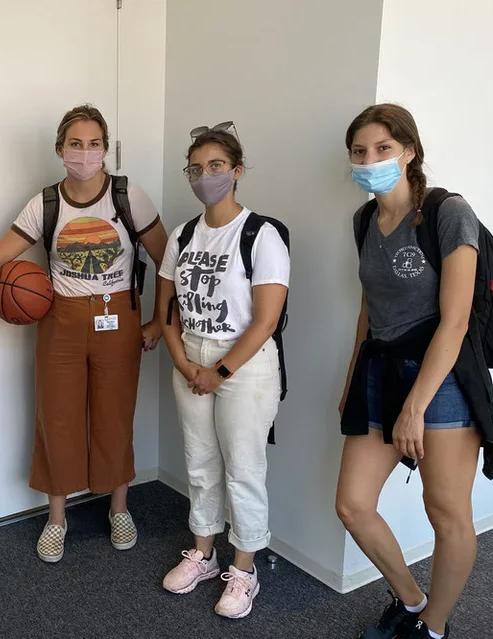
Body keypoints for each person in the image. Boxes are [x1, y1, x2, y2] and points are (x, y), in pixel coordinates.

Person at [0, 105, 168, 563]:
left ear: (106, 150)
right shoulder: (46, 203)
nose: (85, 152)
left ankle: (118, 508)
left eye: (95, 144)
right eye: (76, 143)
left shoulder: (129, 197)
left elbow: (166, 260)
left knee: (115, 416)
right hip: (62, 323)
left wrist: (158, 321)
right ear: (60, 149)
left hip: (119, 319)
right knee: (57, 417)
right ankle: (57, 518)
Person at [336, 104, 489, 639]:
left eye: (382, 148)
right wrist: (353, 379)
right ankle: (411, 599)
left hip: (441, 377)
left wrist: (414, 408)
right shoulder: (364, 221)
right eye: (359, 151)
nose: (370, 159)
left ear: (409, 151)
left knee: (445, 512)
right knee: (353, 505)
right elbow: (368, 307)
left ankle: (435, 626)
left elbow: (455, 322)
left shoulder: (448, 214)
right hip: (381, 370)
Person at [157, 126, 290, 618]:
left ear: (236, 171)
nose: (205, 176)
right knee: (200, 463)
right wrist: (182, 360)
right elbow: (167, 309)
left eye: (216, 166)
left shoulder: (261, 234)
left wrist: (219, 370)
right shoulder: (183, 234)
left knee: (244, 470)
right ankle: (204, 555)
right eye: (196, 168)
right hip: (190, 358)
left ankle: (245, 570)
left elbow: (266, 320)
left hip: (244, 366)